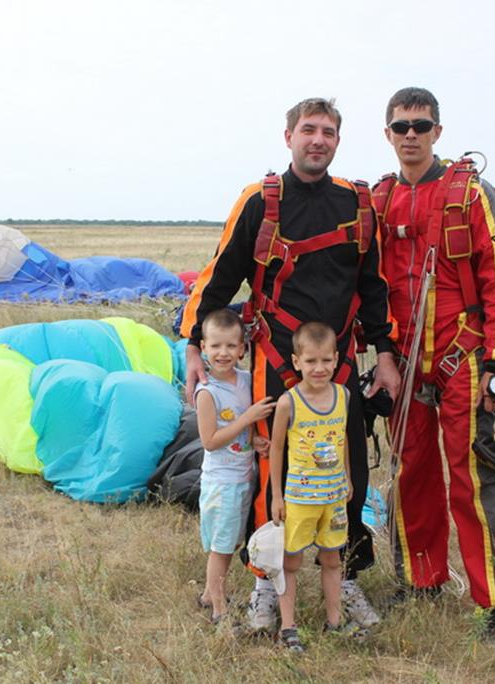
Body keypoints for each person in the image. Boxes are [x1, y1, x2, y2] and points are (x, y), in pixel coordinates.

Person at [180, 97, 400, 633]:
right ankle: (265, 580)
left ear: (338, 141)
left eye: (328, 132)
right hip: (276, 360)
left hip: (336, 364)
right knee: (270, 467)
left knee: (346, 468)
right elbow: (220, 275)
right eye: (308, 130)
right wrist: (193, 344)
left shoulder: (358, 204)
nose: (318, 140)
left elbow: (374, 286)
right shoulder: (259, 201)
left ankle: (345, 576)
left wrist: (385, 353)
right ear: (289, 137)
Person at [375, 87, 495, 642]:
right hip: (402, 362)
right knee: (411, 471)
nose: (411, 135)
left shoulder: (470, 193)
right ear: (388, 134)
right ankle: (422, 580)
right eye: (401, 126)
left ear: (437, 131)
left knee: (473, 478)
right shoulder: (380, 200)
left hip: (463, 357)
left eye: (421, 125)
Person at [268, 322, 353, 652]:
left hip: (333, 499)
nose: (319, 368)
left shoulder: (343, 396)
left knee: (332, 559)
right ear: (296, 361)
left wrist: (347, 478)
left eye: (326, 360)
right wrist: (277, 496)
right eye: (311, 361)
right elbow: (277, 448)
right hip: (300, 499)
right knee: (290, 562)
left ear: (336, 359)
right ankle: (288, 627)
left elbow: (343, 439)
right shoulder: (288, 403)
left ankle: (335, 621)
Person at [194, 308, 275, 625]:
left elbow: (244, 430)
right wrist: (247, 419)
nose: (223, 353)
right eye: (215, 346)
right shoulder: (207, 392)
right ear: (203, 347)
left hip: (244, 477)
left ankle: (207, 594)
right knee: (221, 548)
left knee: (231, 542)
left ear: (242, 348)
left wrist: (254, 439)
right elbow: (210, 441)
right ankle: (219, 609)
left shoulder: (246, 380)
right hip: (221, 483)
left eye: (230, 345)